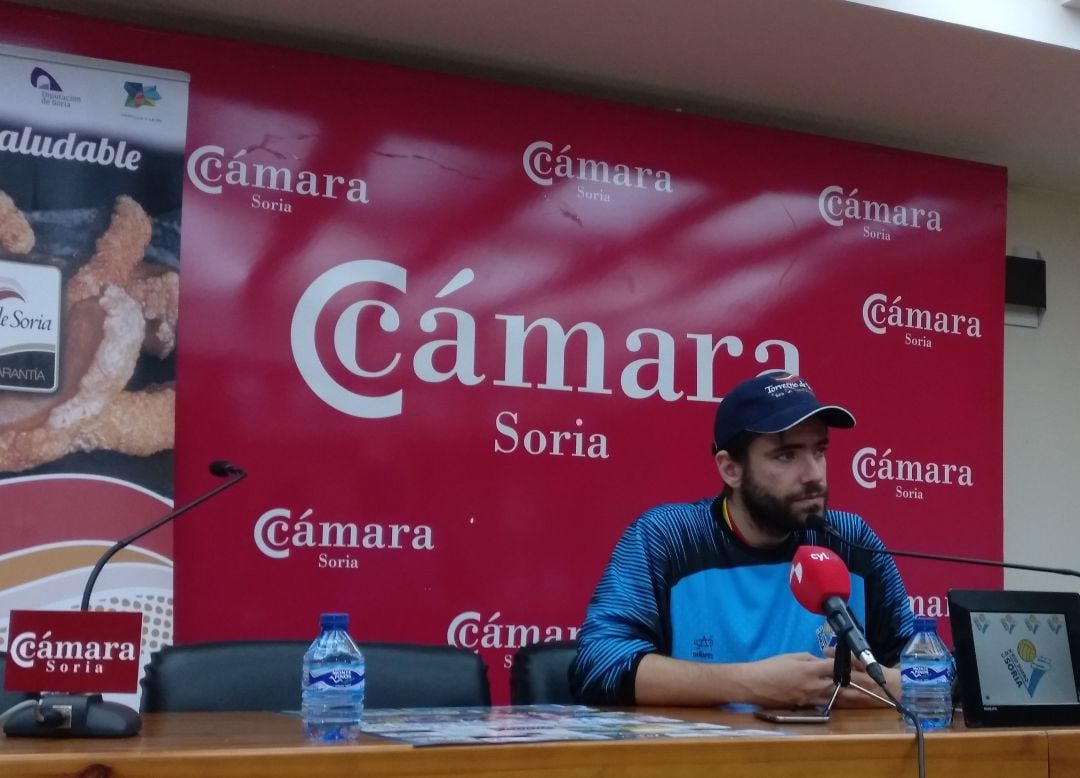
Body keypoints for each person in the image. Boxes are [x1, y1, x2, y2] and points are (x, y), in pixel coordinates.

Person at [569, 371, 914, 708]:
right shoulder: (669, 537)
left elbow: (932, 663)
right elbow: (599, 664)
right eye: (786, 455)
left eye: (819, 451)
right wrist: (751, 685)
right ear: (730, 469)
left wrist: (893, 686)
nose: (813, 474)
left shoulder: (851, 541)